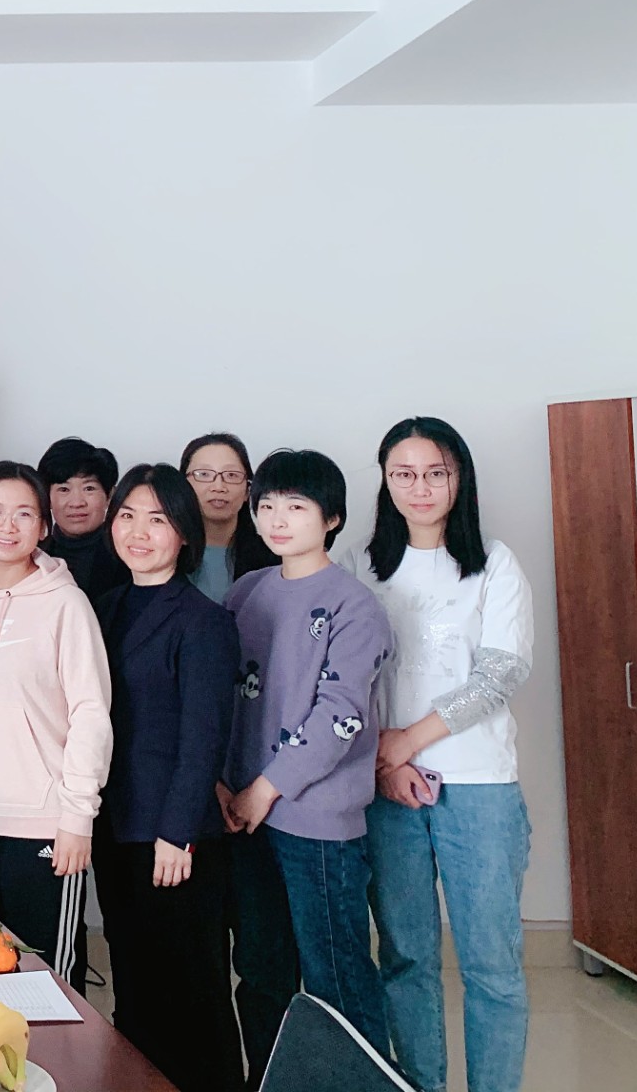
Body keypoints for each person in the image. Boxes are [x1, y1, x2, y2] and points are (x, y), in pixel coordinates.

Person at [350, 418, 535, 1092]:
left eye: (437, 472)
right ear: (385, 480)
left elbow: (501, 673)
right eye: (404, 473)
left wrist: (406, 741)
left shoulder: (495, 562)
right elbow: (348, 676)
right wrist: (387, 759)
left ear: (460, 478)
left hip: (479, 784)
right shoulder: (361, 565)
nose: (421, 487)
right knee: (405, 959)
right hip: (388, 789)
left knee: (492, 965)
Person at [220, 449, 393, 1081]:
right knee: (261, 971)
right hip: (243, 815)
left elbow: (340, 717)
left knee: (335, 976)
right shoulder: (246, 592)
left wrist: (264, 789)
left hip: (315, 822)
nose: (276, 519)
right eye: (266, 505)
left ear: (332, 518)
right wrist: (224, 784)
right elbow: (222, 695)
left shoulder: (354, 605)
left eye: (295, 506)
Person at [94, 465, 243, 1092]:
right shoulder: (102, 607)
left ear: (184, 532)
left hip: (173, 836)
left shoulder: (203, 620)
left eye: (157, 519)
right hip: (113, 825)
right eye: (127, 516)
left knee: (193, 987)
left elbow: (203, 737)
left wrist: (176, 832)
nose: (139, 532)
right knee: (133, 980)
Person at [0, 462, 113, 989]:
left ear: (44, 527)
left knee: (47, 982)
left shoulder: (66, 604)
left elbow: (91, 712)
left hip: (42, 823)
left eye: (24, 514)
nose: (8, 525)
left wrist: (77, 816)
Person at [180, 433, 276, 604]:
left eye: (231, 475)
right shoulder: (163, 551)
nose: (218, 487)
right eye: (203, 474)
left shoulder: (274, 556)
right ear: (182, 485)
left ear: (248, 490)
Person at [37, 437, 130, 604]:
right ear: (46, 497)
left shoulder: (128, 558)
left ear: (110, 496)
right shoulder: (32, 556)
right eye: (64, 489)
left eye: (89, 488)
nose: (77, 502)